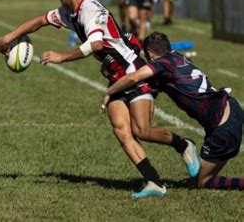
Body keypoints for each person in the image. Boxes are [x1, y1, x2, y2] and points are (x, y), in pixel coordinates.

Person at [0, 0, 199, 198]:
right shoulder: (69, 12)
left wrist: (61, 57)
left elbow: (96, 45)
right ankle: (154, 182)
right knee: (122, 131)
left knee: (141, 130)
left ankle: (184, 145)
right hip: (114, 76)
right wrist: (8, 38)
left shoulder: (90, 9)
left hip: (132, 69)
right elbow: (40, 21)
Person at [102, 31, 243, 190]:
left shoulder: (161, 63)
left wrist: (109, 91)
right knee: (199, 176)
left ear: (149, 54)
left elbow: (134, 77)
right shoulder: (178, 56)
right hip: (231, 106)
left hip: (222, 126)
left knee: (203, 183)